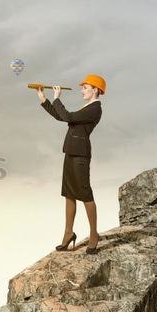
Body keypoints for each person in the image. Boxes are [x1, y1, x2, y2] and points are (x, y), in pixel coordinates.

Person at [36, 74, 105, 254]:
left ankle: (93, 234)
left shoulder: (95, 108)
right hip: (71, 152)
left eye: (85, 87)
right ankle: (68, 233)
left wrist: (57, 98)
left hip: (81, 154)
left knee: (85, 193)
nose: (82, 90)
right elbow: (62, 117)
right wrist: (44, 100)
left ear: (96, 90)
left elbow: (67, 116)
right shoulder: (87, 107)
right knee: (69, 193)